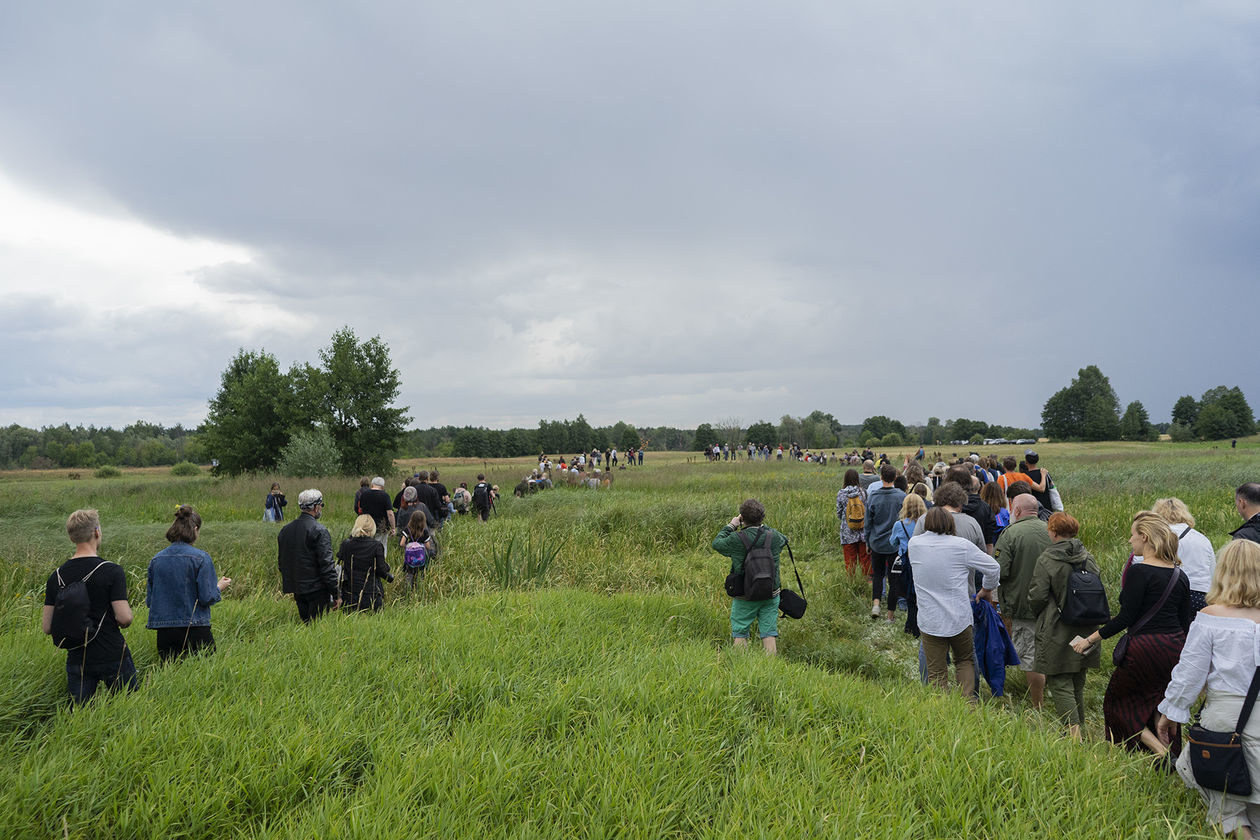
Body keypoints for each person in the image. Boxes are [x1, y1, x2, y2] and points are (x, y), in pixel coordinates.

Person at [1156, 540, 1260, 837]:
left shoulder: (1211, 618)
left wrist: (1171, 712)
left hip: (1224, 723)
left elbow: (1189, 674)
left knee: (1227, 803)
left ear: (1222, 572)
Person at [1073, 511, 1191, 758]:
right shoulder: (1180, 575)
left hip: (1145, 647)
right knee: (1162, 700)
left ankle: (1161, 752)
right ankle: (1171, 752)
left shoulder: (1139, 572)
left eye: (1133, 535)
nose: (1130, 541)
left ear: (1145, 537)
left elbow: (1126, 618)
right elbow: (1185, 621)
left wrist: (1089, 640)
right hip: (1174, 646)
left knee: (1118, 704)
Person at [43, 509, 139, 703]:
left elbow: (47, 627)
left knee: (80, 714)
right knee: (129, 710)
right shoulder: (111, 571)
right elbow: (124, 618)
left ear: (72, 538)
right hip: (112, 653)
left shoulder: (57, 576)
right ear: (97, 532)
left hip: (78, 656)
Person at [908, 506, 1000, 698]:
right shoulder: (961, 546)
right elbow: (993, 567)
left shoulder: (914, 544)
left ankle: (942, 711)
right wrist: (986, 589)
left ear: (926, 524)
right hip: (959, 616)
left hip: (930, 618)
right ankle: (969, 705)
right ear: (950, 524)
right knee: (965, 660)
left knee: (936, 670)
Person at [1026, 512, 1102, 739]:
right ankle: (1081, 730)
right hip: (1087, 626)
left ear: (1054, 532)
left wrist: (1038, 611)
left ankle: (1073, 736)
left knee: (1060, 681)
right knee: (1078, 678)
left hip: (1057, 626)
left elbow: (1037, 595)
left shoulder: (1047, 560)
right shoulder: (1088, 557)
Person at [146, 505, 231, 661]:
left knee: (171, 675)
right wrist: (219, 587)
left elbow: (151, 601)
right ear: (195, 529)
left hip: (165, 633)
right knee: (205, 676)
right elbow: (206, 597)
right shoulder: (201, 558)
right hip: (196, 629)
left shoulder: (156, 560)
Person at [995, 494, 1053, 708]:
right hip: (1052, 604)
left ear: (1017, 511)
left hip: (1024, 605)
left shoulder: (1010, 534)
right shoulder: (1051, 530)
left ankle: (1037, 705)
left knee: (1031, 657)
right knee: (1047, 650)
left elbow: (1000, 571)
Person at [711, 498, 788, 656]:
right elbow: (784, 540)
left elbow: (717, 543)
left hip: (745, 594)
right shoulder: (772, 536)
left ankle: (742, 666)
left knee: (740, 631)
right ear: (762, 518)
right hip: (770, 592)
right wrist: (763, 527)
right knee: (769, 632)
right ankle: (770, 668)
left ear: (742, 518)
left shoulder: (736, 539)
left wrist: (732, 525)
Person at [277, 489, 341, 622]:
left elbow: (282, 562)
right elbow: (327, 566)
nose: (321, 508)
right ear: (316, 507)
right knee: (317, 629)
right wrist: (336, 594)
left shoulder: (285, 530)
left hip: (297, 588)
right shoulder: (320, 530)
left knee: (305, 624)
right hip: (317, 589)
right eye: (321, 505)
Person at [1150, 497, 1217, 614]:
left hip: (1163, 594)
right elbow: (1213, 573)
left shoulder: (1155, 538)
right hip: (1198, 595)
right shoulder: (1202, 539)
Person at [866, 464, 907, 620]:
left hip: (876, 542)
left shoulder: (873, 496)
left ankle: (876, 604)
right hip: (894, 544)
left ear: (881, 477)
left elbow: (868, 523)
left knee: (878, 575)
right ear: (895, 478)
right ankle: (890, 615)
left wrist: (867, 542)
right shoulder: (901, 496)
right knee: (894, 577)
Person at [337, 515, 392, 612]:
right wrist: (388, 569)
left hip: (349, 595)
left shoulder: (346, 544)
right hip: (370, 595)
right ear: (372, 528)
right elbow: (381, 570)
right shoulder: (376, 546)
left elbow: (341, 563)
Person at [889, 493, 927, 619]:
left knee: (897, 585)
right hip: (922, 559)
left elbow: (893, 542)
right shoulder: (926, 524)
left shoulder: (899, 525)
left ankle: (894, 611)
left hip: (905, 560)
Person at [836, 469, 870, 577]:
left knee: (850, 560)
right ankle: (867, 580)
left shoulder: (841, 493)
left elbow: (839, 512)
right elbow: (867, 510)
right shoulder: (863, 492)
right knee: (865, 558)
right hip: (862, 530)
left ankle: (851, 581)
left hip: (847, 531)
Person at [358, 477, 396, 552]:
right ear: (382, 486)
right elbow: (390, 513)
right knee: (382, 547)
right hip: (382, 527)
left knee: (368, 547)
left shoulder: (364, 494)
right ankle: (381, 562)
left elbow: (361, 510)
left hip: (367, 526)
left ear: (372, 484)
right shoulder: (385, 496)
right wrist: (393, 528)